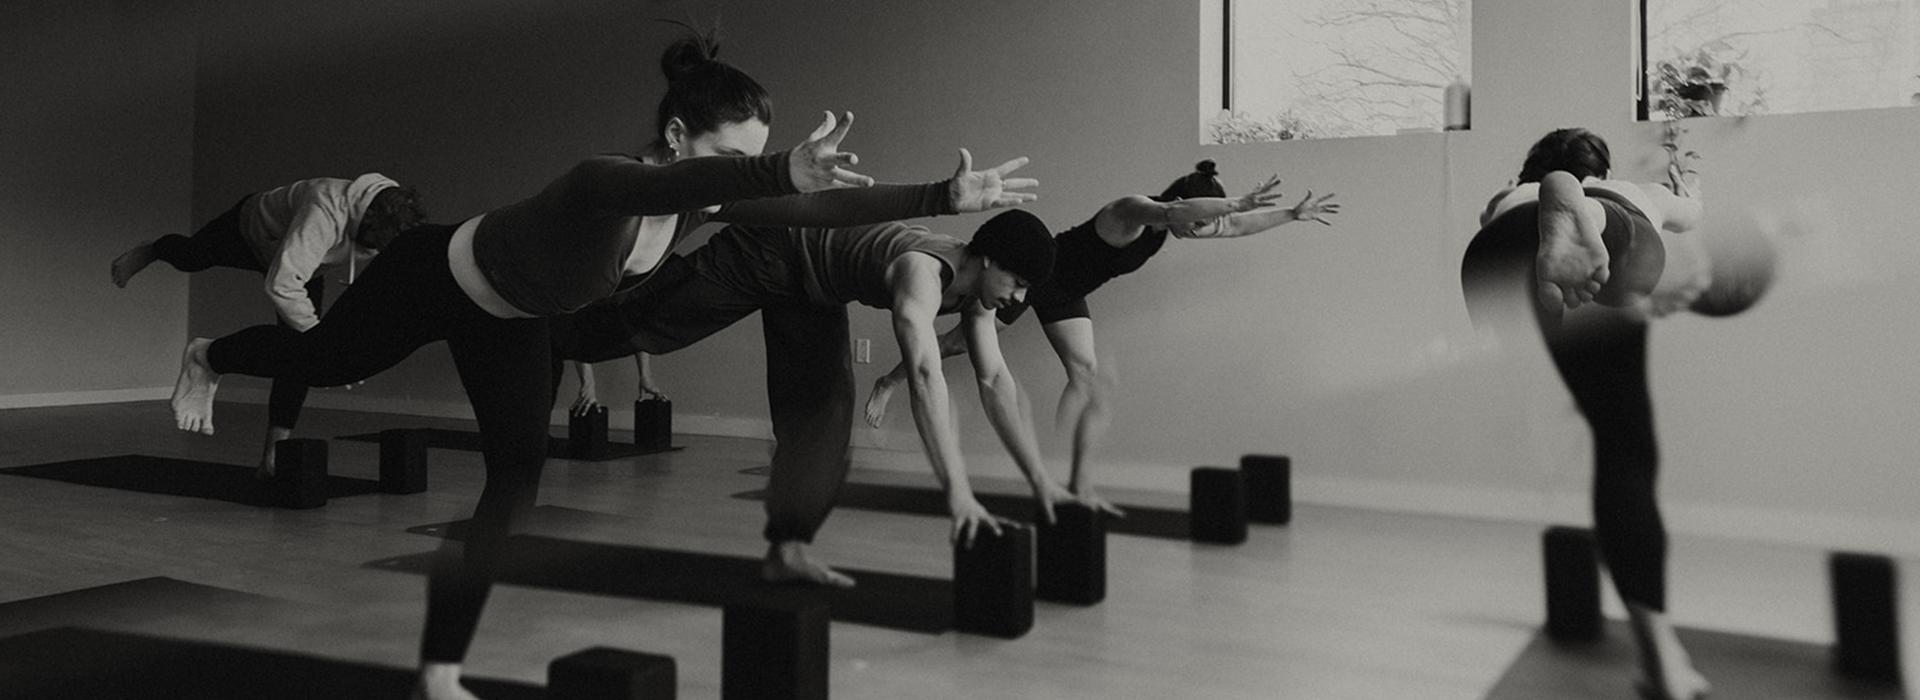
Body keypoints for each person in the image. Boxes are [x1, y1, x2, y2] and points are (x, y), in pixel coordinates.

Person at [163, 33, 1033, 700]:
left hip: (513, 321)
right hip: (433, 276)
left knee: (514, 480)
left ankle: (438, 672)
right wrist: (773, 166)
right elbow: (676, 190)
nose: (734, 177)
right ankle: (212, 355)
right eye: (726, 155)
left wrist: (940, 199)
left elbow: (820, 205)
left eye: (747, 160)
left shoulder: (710, 193)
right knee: (322, 360)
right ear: (676, 133)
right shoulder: (603, 181)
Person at [550, 210, 1086, 587]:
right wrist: (958, 491)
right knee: (642, 321)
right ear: (988, 260)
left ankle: (788, 550)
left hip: (814, 285)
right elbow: (925, 374)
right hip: (767, 249)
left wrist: (1040, 480)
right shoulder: (922, 273)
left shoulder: (978, 295)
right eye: (1015, 283)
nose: (1017, 299)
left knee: (826, 417)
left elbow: (997, 383)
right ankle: (538, 326)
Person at [1460, 127, 1775, 700]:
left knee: (1606, 413)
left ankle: (1565, 209)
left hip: (1503, 254)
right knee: (1626, 446)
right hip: (1609, 246)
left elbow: (1490, 217)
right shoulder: (1633, 189)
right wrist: (1690, 191)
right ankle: (1662, 662)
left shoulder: (1506, 196)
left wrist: (1526, 198)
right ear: (1600, 172)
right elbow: (1690, 214)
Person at [862, 160, 1339, 511]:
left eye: (1204, 226)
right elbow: (1182, 211)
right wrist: (1231, 202)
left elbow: (1233, 227)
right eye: (1197, 222)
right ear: (1179, 206)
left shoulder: (1178, 226)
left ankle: (1081, 485)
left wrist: (1291, 215)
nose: (1200, 232)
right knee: (951, 345)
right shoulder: (1131, 211)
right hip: (1038, 279)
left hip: (1069, 295)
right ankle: (889, 381)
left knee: (1090, 377)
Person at [111, 174, 426, 477]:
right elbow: (282, 284)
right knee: (192, 257)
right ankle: (153, 249)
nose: (375, 251)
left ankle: (273, 453)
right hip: (249, 233)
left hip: (305, 267)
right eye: (376, 244)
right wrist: (325, 341)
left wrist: (345, 352)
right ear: (368, 218)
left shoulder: (388, 222)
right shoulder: (324, 208)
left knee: (301, 356)